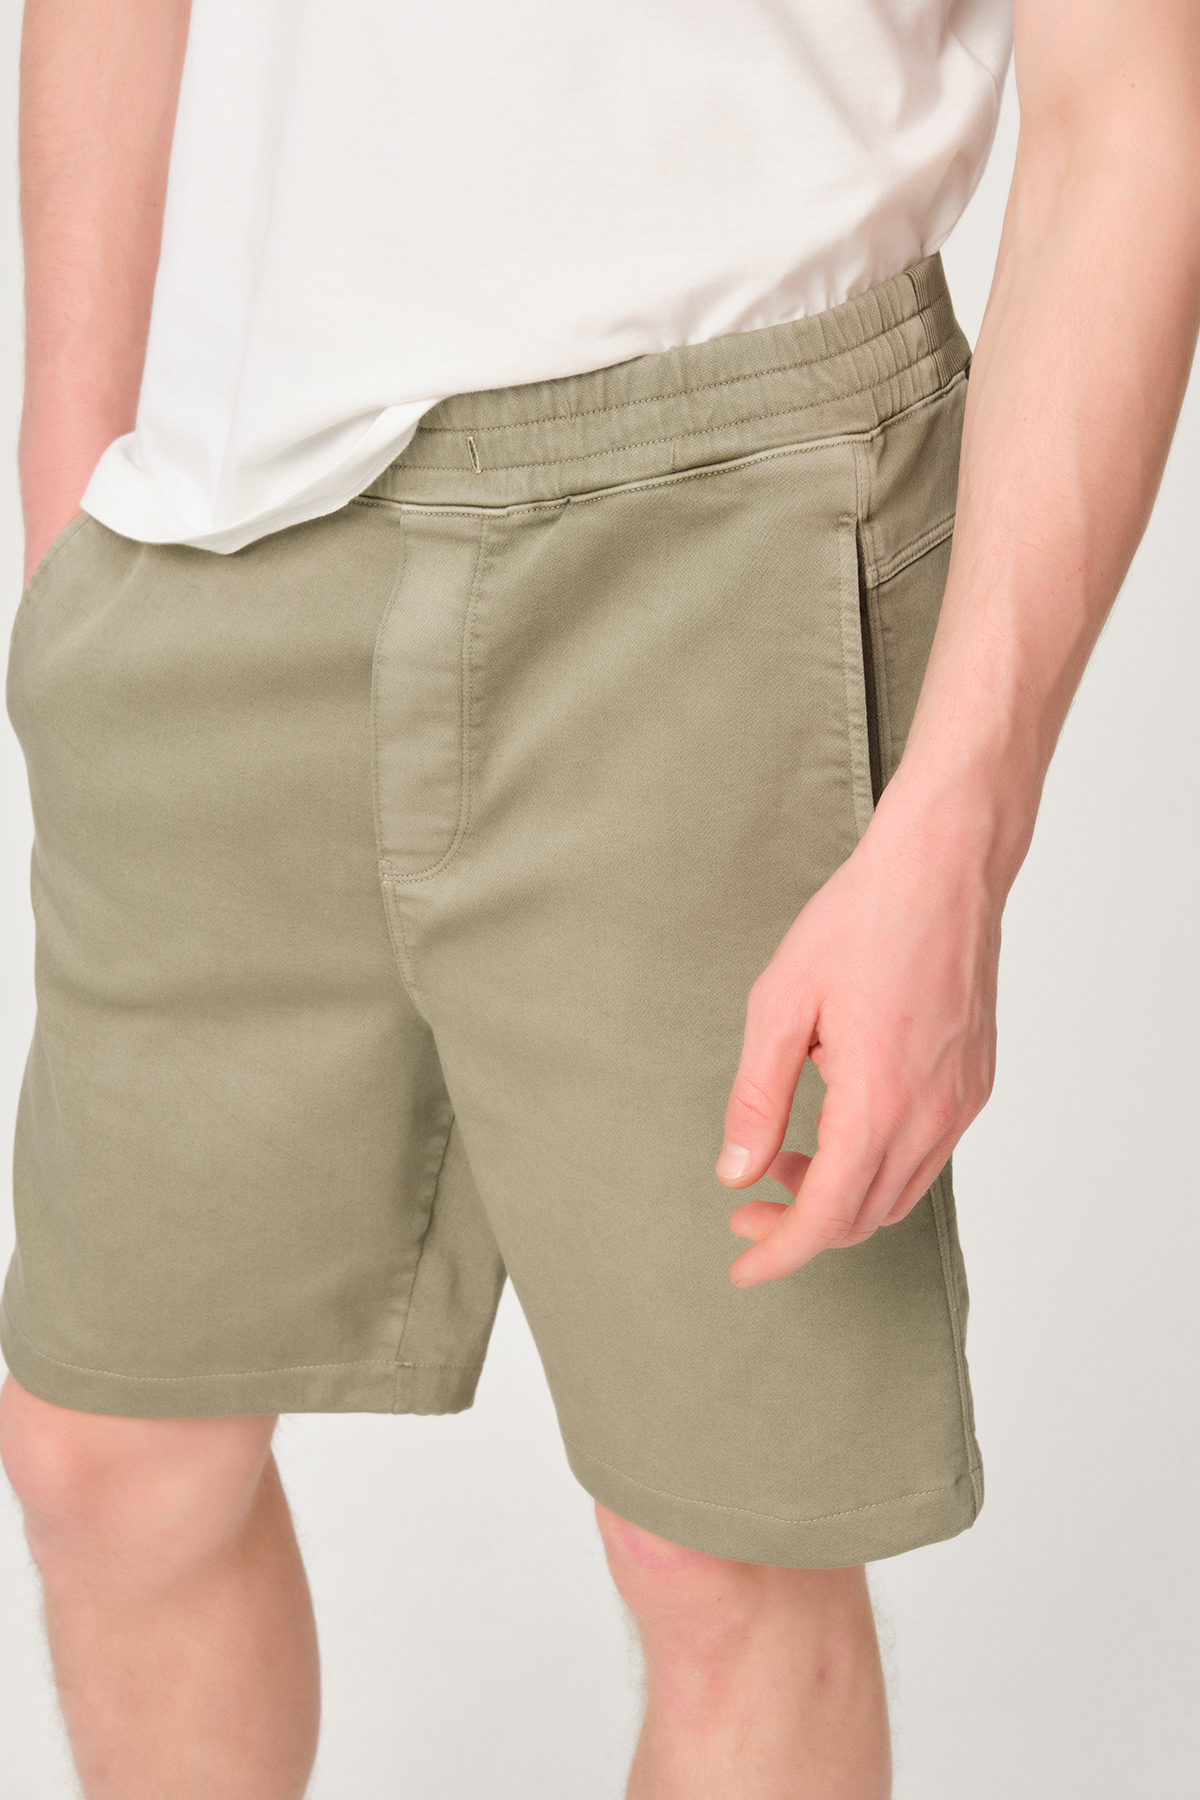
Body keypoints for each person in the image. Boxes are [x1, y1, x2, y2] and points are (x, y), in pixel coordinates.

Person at [1, 0, 1196, 1794]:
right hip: (225, 499)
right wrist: (72, 494)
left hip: (730, 494)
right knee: (105, 1455)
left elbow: (1133, 117)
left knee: (720, 1551)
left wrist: (958, 831)